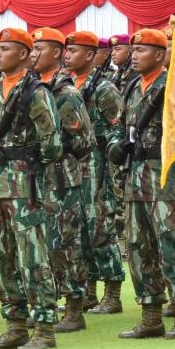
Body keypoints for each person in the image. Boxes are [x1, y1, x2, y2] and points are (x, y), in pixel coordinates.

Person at [0, 27, 62, 349]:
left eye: (6, 49)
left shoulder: (36, 92)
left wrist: (28, 161)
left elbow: (52, 143)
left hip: (26, 186)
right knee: (2, 256)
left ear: (23, 54)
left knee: (33, 257)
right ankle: (15, 324)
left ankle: (44, 327)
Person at [107, 28, 175, 341]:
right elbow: (120, 125)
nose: (134, 55)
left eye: (143, 50)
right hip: (136, 177)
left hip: (165, 176)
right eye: (133, 50)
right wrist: (115, 145)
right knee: (138, 249)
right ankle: (150, 314)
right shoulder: (133, 85)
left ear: (161, 55)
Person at [29, 28, 95, 335]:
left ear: (56, 53)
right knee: (41, 245)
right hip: (34, 179)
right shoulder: (29, 88)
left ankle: (73, 307)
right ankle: (47, 303)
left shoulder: (65, 93)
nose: (32, 54)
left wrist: (53, 146)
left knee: (64, 245)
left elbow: (84, 140)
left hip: (60, 177)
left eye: (39, 48)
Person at [65, 30, 127, 316]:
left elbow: (118, 125)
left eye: (74, 50)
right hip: (73, 163)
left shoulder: (103, 87)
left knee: (100, 227)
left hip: (98, 162)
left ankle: (112, 292)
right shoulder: (64, 85)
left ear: (90, 55)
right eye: (66, 50)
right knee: (78, 229)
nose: (67, 55)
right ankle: (88, 290)